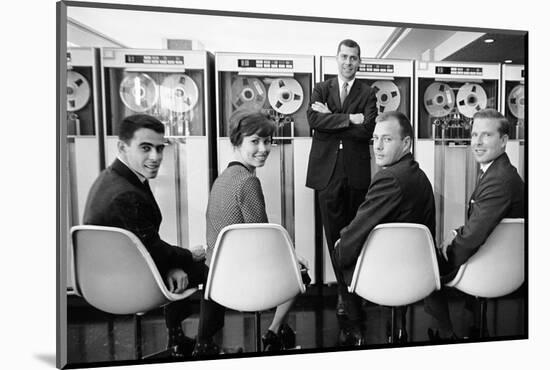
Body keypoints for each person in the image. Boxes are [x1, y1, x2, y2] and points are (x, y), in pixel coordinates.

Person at [83, 114, 207, 358]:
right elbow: (151, 249)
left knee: (181, 264)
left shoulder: (114, 177)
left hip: (118, 270)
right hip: (127, 280)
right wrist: (187, 257)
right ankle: (204, 345)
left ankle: (177, 336)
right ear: (122, 147)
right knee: (210, 266)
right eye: (146, 148)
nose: (156, 157)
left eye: (160, 148)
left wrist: (172, 263)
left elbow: (146, 246)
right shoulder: (125, 194)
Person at [193, 112, 310, 355]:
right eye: (255, 141)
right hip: (242, 278)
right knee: (301, 273)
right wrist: (291, 257)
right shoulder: (247, 182)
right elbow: (263, 241)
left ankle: (279, 331)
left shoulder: (222, 178)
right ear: (237, 142)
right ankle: (274, 332)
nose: (264, 148)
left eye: (267, 141)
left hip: (217, 276)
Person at [333, 111, 435, 342]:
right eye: (375, 139)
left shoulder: (389, 178)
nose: (377, 147)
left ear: (406, 143)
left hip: (388, 275)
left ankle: (353, 329)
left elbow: (358, 229)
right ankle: (397, 327)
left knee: (342, 248)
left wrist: (340, 247)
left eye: (387, 139)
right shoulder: (419, 175)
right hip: (418, 273)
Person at [426, 108, 525, 340]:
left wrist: (446, 255)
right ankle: (466, 322)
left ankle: (446, 333)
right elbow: (483, 222)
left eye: (486, 135)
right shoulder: (497, 171)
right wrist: (455, 232)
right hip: (495, 258)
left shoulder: (499, 180)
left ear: (503, 141)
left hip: (491, 267)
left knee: (427, 261)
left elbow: (471, 238)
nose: (477, 142)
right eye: (473, 135)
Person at [305, 39, 378, 345]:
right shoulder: (320, 89)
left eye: (354, 58)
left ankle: (350, 290)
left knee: (354, 236)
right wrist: (350, 118)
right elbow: (313, 121)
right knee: (333, 234)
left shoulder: (368, 92)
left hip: (356, 173)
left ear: (360, 62)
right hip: (326, 173)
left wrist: (331, 120)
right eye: (345, 57)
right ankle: (345, 293)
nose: (349, 62)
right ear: (336, 58)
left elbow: (368, 130)